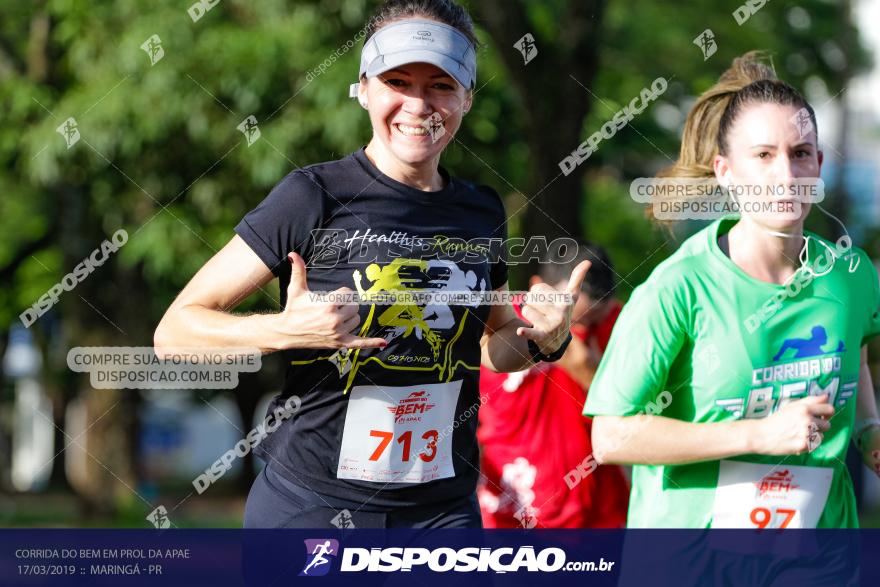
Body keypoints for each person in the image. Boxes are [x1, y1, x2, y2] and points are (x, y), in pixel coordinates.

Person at [154, 0, 589, 529]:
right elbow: (174, 332)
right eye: (397, 81)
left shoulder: (481, 210)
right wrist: (285, 330)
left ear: (467, 97)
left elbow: (492, 348)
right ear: (363, 89)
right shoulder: (313, 196)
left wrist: (544, 341)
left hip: (441, 512)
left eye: (441, 85)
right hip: (312, 504)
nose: (417, 104)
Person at [584, 51, 880, 530]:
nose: (785, 176)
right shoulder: (678, 288)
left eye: (800, 154)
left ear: (819, 165)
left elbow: (856, 355)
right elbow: (611, 437)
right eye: (763, 156)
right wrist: (758, 434)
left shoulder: (850, 273)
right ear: (726, 172)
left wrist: (869, 431)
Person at [477, 242, 629, 528]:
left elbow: (635, 413)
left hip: (596, 513)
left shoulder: (618, 323)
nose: (572, 331)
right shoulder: (497, 327)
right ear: (537, 287)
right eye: (573, 321)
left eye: (589, 322)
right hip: (511, 504)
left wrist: (585, 365)